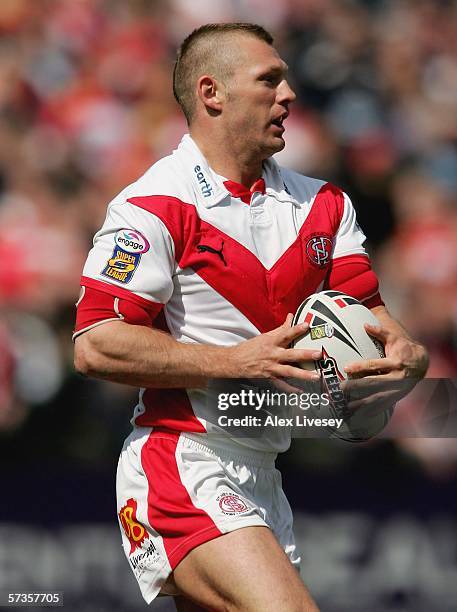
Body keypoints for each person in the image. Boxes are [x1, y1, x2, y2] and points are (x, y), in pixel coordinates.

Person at [73, 23, 428, 612]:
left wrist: (407, 363)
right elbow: (94, 345)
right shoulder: (152, 205)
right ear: (212, 93)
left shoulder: (326, 206)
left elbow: (372, 323)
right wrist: (235, 361)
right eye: (270, 79)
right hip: (181, 461)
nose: (289, 95)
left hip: (265, 472)